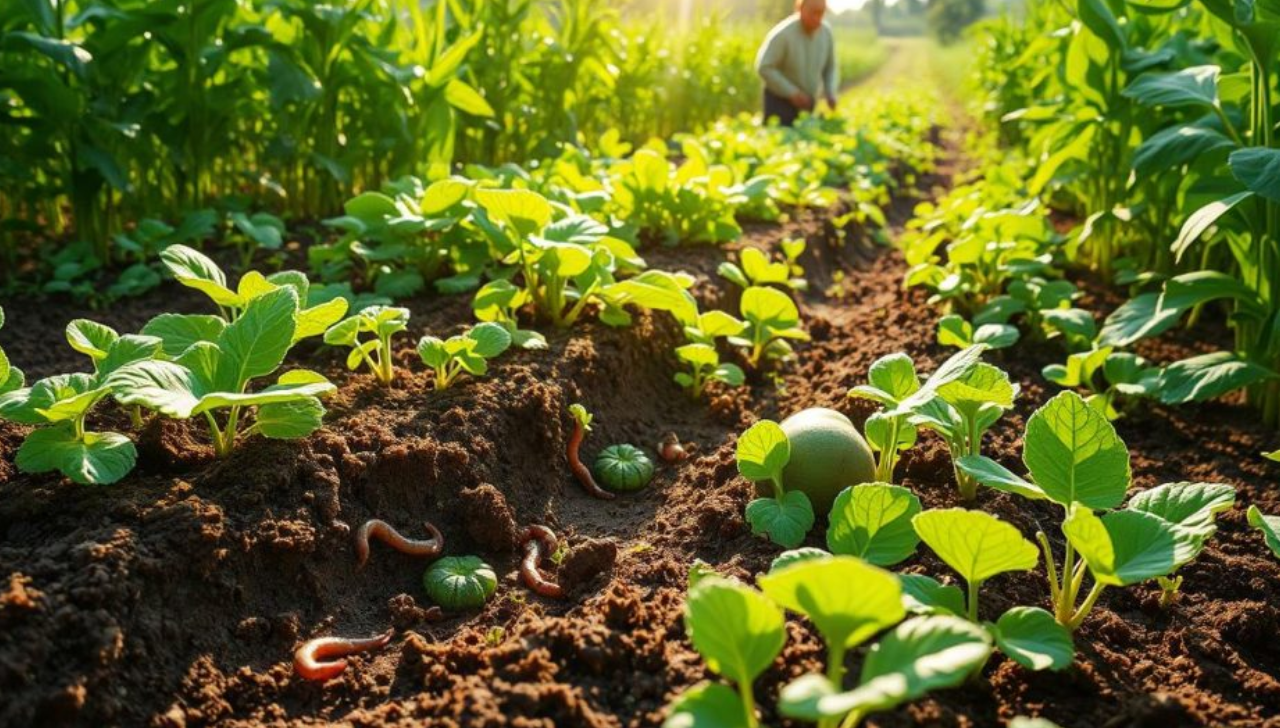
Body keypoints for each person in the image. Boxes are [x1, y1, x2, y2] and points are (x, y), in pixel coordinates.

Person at [755, 0, 838, 127]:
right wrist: (792, 93)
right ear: (800, 9)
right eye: (813, 13)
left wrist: (830, 92)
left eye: (821, 13)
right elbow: (764, 67)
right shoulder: (783, 34)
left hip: (807, 103)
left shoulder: (826, 33)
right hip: (779, 102)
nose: (817, 18)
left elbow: (830, 67)